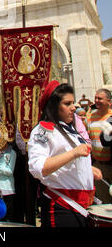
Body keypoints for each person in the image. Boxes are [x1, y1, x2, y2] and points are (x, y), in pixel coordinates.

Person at [28, 81, 102, 228]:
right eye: (67, 104)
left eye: (73, 103)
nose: (73, 107)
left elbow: (65, 161)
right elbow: (38, 168)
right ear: (54, 106)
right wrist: (74, 153)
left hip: (82, 206)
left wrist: (86, 168)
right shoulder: (43, 131)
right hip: (62, 206)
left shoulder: (70, 130)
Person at [86, 88, 112, 203]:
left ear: (109, 102)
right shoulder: (90, 117)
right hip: (98, 166)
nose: (96, 100)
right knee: (104, 201)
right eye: (95, 98)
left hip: (111, 164)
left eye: (100, 98)